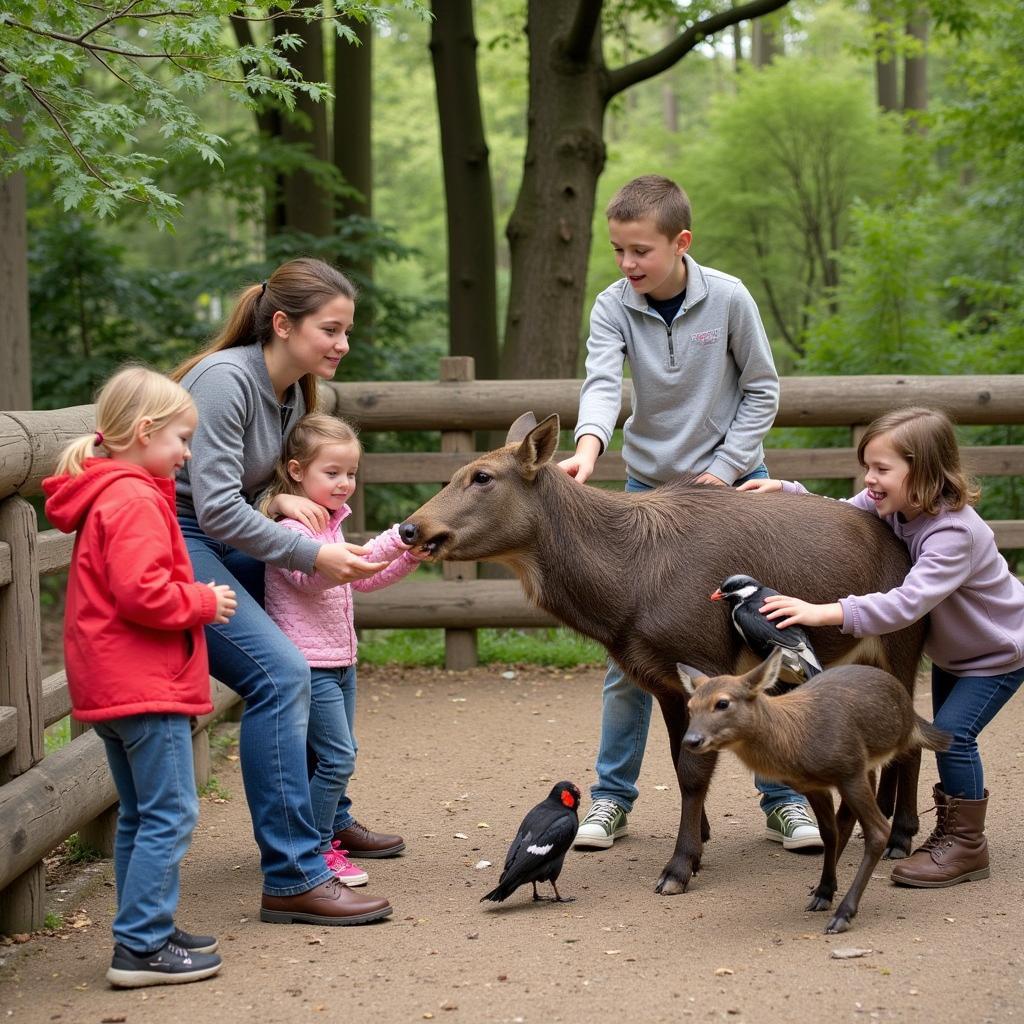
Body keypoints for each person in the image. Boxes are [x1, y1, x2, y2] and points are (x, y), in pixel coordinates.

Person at [559, 174, 823, 853]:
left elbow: (762, 390)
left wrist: (726, 470)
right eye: (617, 250)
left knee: (764, 646)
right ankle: (612, 800)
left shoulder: (729, 298)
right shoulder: (614, 305)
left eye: (640, 250)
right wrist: (588, 450)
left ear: (681, 243)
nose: (627, 264)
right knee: (634, 656)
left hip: (735, 489)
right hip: (652, 493)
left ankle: (785, 797)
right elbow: (600, 384)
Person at [170, 258, 394, 926]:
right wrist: (309, 549)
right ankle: (293, 875)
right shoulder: (226, 380)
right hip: (180, 540)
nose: (342, 344)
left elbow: (253, 488)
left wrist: (282, 503)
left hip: (229, 533)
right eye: (330, 329)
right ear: (282, 324)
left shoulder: (294, 391)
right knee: (283, 673)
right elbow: (210, 508)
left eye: (346, 331)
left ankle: (327, 820)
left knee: (313, 650)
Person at [740, 406, 1024, 887]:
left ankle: (966, 846)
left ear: (926, 471)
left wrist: (824, 611)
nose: (869, 479)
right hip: (956, 655)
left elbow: (906, 604)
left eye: (882, 469)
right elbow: (844, 513)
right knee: (944, 736)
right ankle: (953, 833)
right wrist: (787, 491)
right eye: (867, 467)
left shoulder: (954, 532)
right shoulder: (900, 506)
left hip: (997, 655)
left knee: (952, 738)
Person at [43, 367, 237, 987]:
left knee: (140, 813)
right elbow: (142, 592)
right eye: (182, 439)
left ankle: (146, 924)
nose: (186, 453)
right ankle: (141, 947)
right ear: (144, 431)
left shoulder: (112, 491)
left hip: (114, 684)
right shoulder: (132, 499)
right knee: (170, 812)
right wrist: (203, 602)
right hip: (143, 685)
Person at [261, 413, 423, 887]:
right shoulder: (291, 528)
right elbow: (315, 577)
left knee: (335, 754)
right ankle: (311, 848)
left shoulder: (329, 524)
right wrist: (395, 538)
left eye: (350, 473)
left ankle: (331, 830)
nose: (345, 483)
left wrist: (409, 556)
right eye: (332, 473)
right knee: (336, 757)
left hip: (340, 659)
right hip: (309, 663)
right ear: (296, 471)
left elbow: (363, 578)